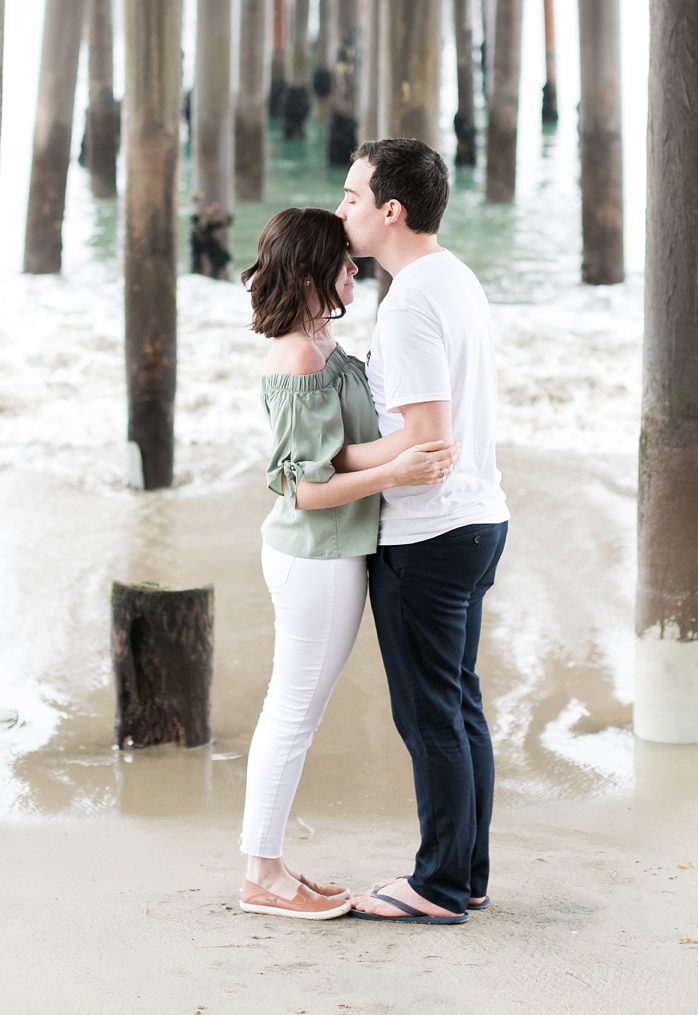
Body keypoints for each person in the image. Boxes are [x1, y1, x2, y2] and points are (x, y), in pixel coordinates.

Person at [237, 208, 455, 920]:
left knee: (296, 711)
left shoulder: (321, 342)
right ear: (310, 271)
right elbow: (306, 486)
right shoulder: (299, 353)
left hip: (327, 556)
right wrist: (399, 475)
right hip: (315, 555)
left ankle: (270, 866)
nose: (355, 268)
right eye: (343, 262)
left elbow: (336, 454)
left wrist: (410, 452)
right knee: (291, 713)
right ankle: (261, 875)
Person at [334, 139, 511, 926]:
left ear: (390, 210)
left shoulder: (407, 300)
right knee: (458, 704)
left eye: (351, 198)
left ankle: (437, 885)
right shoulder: (453, 277)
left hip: (432, 534)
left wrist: (332, 457)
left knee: (430, 713)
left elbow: (427, 436)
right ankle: (464, 873)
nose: (343, 211)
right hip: (479, 521)